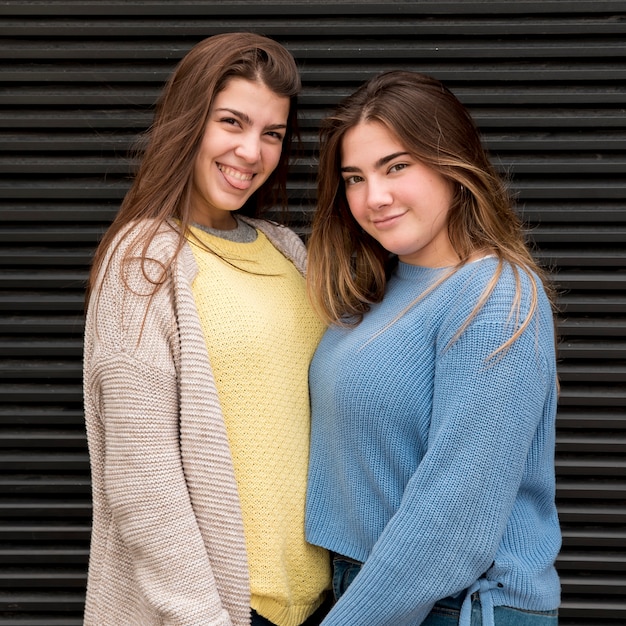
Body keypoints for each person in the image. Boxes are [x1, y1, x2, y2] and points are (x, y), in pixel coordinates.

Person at [83, 32, 331, 626]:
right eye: (232, 122)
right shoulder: (144, 259)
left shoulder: (288, 250)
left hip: (321, 604)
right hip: (215, 611)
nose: (251, 151)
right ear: (189, 122)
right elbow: (142, 479)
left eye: (271, 133)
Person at [305, 70, 561, 626]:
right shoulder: (379, 288)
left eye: (397, 166)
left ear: (452, 164)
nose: (374, 197)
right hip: (376, 591)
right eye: (354, 177)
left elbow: (455, 520)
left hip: (458, 605)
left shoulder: (494, 294)